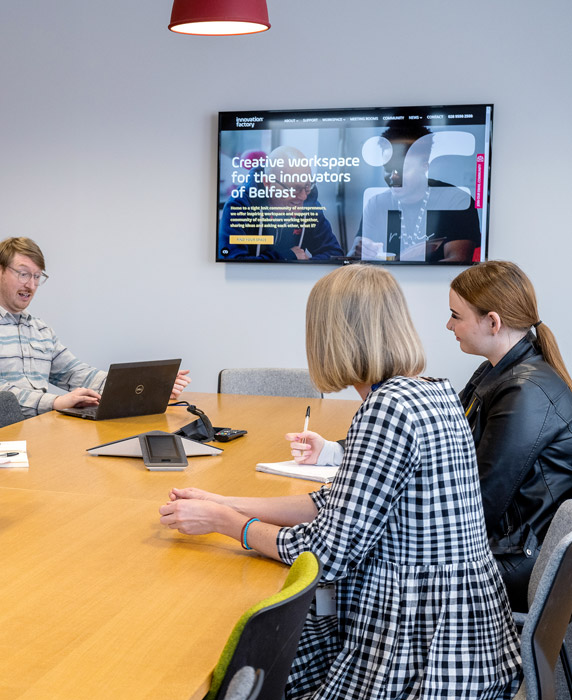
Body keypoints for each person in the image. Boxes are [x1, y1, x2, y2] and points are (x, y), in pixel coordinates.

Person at [159, 265, 520, 698]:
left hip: (417, 646)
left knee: (249, 666)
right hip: (461, 630)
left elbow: (326, 554)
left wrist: (226, 524)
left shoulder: (387, 409)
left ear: (333, 336)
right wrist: (226, 501)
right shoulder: (431, 391)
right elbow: (337, 503)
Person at [0, 237, 191, 419]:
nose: (30, 285)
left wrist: (150, 384)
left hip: (40, 431)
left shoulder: (39, 329)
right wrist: (57, 402)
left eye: (37, 277)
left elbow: (77, 373)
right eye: (23, 274)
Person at [447, 260, 572, 610]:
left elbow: (480, 506)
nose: (448, 324)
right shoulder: (497, 371)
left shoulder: (524, 391)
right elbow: (443, 437)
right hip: (503, 542)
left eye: (456, 315)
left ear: (492, 322)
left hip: (514, 559)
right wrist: (339, 450)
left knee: (382, 563)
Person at [351, 122, 481, 263]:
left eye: (403, 169)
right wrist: (354, 254)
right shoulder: (376, 204)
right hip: (384, 284)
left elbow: (457, 265)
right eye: (388, 168)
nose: (394, 176)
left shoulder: (456, 201)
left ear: (424, 167)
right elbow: (355, 261)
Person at [217, 145, 344, 261]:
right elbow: (233, 262)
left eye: (307, 186)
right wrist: (287, 257)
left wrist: (306, 264)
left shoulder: (310, 206)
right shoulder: (239, 206)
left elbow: (334, 254)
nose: (303, 196)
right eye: (295, 189)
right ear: (268, 183)